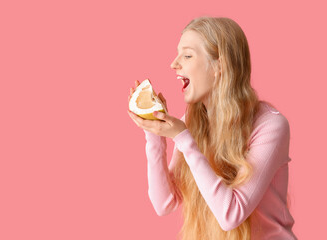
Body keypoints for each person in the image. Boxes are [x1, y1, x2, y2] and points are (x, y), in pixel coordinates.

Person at [127, 16, 297, 240]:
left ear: (219, 66)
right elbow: (164, 203)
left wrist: (182, 138)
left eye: (187, 55)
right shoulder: (193, 121)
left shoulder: (271, 125)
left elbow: (231, 215)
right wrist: (154, 134)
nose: (174, 64)